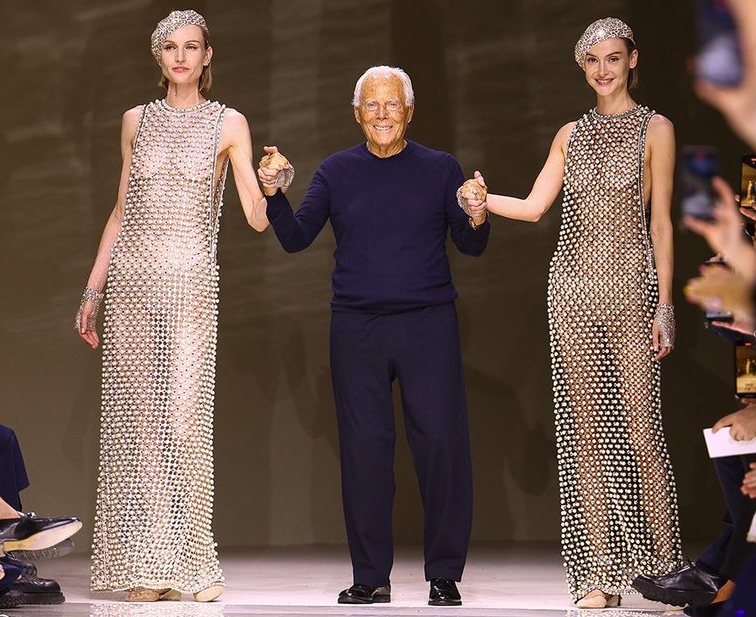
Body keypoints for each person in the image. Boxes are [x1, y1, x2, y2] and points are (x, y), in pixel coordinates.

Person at [459, 18, 681, 608]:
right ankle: (596, 577)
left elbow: (660, 223)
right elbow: (534, 207)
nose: (603, 71)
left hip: (631, 286)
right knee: (583, 438)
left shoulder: (656, 129)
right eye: (592, 62)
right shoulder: (570, 134)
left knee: (642, 434)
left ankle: (664, 568)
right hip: (573, 290)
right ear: (582, 67)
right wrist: (485, 200)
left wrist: (665, 304)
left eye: (613, 59)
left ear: (633, 59)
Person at [257, 65, 488, 607]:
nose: (382, 114)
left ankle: (445, 574)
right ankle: (370, 576)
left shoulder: (440, 168)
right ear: (357, 113)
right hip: (356, 326)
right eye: (371, 105)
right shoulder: (337, 171)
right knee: (364, 452)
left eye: (392, 105)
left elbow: (471, 247)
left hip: (427, 322)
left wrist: (477, 215)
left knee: (441, 447)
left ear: (409, 111)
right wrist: (274, 193)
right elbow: (294, 238)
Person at [75, 9, 269, 603]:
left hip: (190, 283)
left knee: (185, 421)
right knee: (138, 428)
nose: (180, 57)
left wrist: (274, 184)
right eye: (170, 48)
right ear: (158, 56)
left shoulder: (229, 122)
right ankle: (141, 567)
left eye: (191, 47)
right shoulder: (136, 120)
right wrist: (92, 289)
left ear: (207, 55)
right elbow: (120, 210)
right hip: (133, 280)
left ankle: (191, 565)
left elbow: (256, 218)